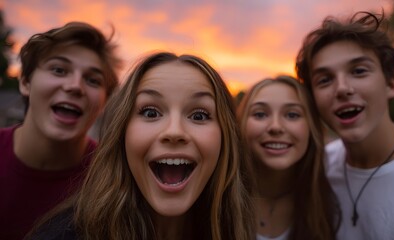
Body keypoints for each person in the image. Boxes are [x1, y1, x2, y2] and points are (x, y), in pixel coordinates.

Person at [27, 52, 255, 240]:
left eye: (199, 115)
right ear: (122, 133)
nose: (174, 132)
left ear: (225, 138)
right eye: (150, 112)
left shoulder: (240, 231)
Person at [296, 11, 394, 239]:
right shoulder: (318, 169)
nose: (341, 88)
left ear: (391, 83)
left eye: (358, 71)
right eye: (325, 79)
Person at [0, 22, 122, 240]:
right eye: (59, 70)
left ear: (104, 102)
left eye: (93, 80)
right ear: (26, 82)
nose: (75, 86)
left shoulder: (114, 179)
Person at [237, 75, 340, 240]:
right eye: (260, 114)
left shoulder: (331, 200)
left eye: (292, 115)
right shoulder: (214, 200)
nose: (276, 127)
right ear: (241, 125)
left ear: (311, 128)